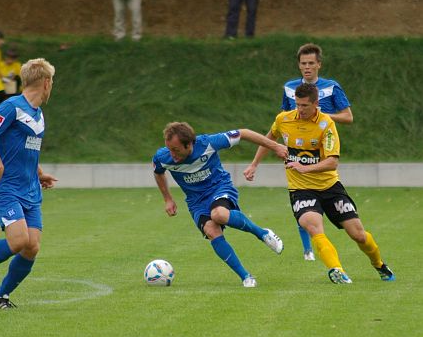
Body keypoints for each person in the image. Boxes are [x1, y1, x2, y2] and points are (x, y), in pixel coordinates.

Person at [243, 83, 395, 284]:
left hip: (330, 187)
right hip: (301, 189)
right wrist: (254, 164)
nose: (300, 109)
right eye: (297, 104)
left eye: (305, 105)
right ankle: (337, 270)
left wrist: (305, 168)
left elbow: (332, 162)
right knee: (314, 227)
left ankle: (379, 265)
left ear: (316, 104)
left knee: (358, 235)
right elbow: (269, 139)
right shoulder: (283, 119)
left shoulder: (326, 124)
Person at [0, 58, 58, 308]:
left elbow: (26, 149)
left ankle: (0, 296)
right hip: (6, 189)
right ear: (45, 82)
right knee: (18, 241)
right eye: (52, 82)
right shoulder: (11, 106)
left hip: (30, 190)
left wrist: (39, 173)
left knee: (31, 247)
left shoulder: (38, 114)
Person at [152, 122, 287, 288]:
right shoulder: (162, 157)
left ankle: (262, 233)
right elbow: (158, 173)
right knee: (211, 230)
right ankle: (246, 276)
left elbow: (243, 133)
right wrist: (168, 198)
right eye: (169, 149)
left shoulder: (208, 143)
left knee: (219, 215)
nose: (172, 154)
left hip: (219, 187)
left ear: (189, 144)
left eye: (176, 150)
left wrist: (275, 146)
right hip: (196, 201)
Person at [282, 43, 353, 261]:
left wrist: (321, 115)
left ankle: (322, 237)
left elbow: (348, 117)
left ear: (319, 64)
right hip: (298, 147)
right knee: (300, 193)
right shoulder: (289, 88)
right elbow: (284, 117)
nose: (307, 67)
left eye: (311, 63)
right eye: (303, 63)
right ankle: (308, 249)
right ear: (298, 65)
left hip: (323, 147)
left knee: (322, 192)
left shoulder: (331, 87)